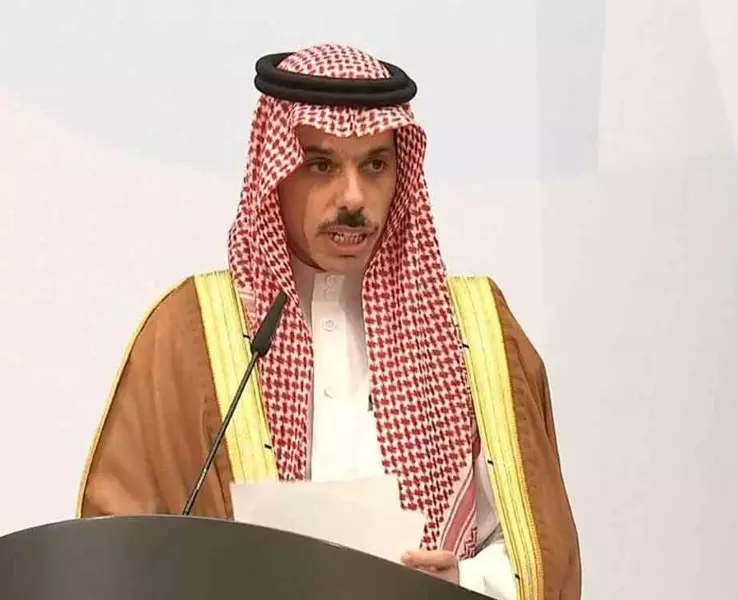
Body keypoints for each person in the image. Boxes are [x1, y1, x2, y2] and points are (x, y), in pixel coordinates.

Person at [76, 43, 580, 600]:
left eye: (375, 165)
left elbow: (537, 553)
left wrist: (463, 582)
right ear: (275, 175)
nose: (354, 198)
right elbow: (116, 550)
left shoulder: (475, 331)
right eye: (321, 165)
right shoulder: (188, 333)